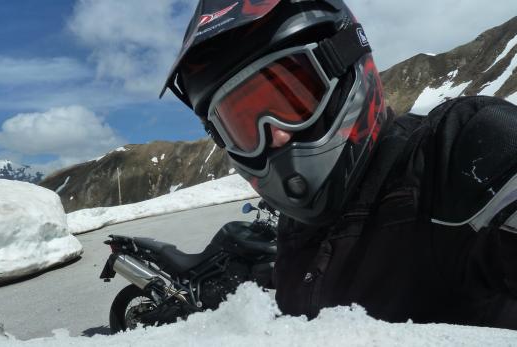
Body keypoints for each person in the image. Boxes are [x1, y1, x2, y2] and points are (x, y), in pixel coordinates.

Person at [160, 0, 517, 329]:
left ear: (344, 63)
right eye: (242, 125)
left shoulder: (459, 154)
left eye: (290, 99)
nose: (277, 137)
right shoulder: (296, 231)